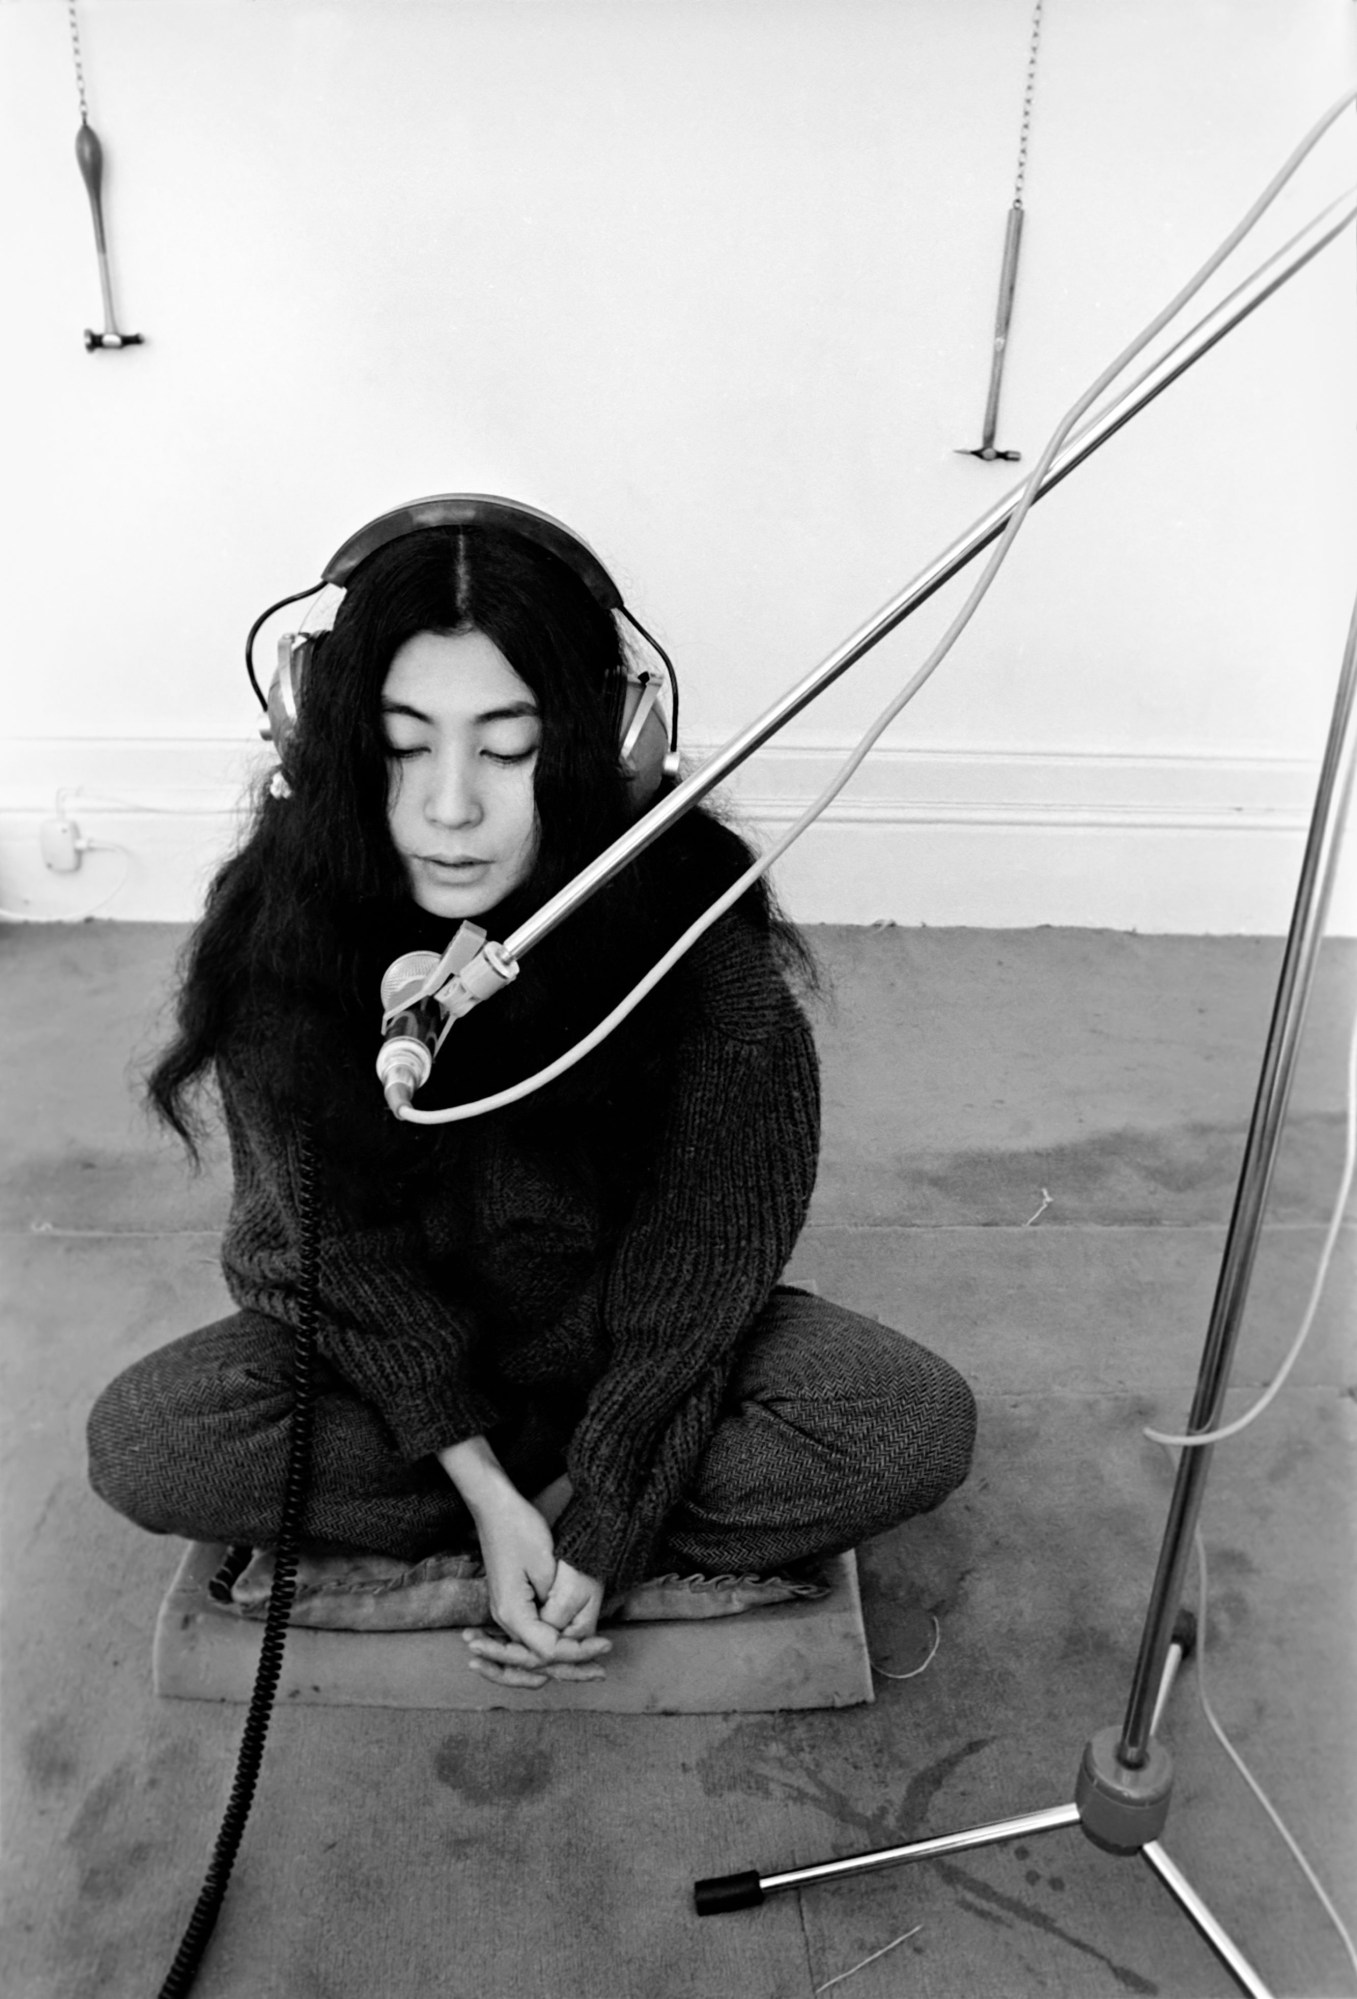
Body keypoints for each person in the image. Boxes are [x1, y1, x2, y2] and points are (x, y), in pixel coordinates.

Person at [87, 511, 977, 1690]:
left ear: (609, 748)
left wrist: (606, 1506)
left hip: (642, 1366)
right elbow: (317, 1258)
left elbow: (705, 1271)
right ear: (329, 742)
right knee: (152, 1442)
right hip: (397, 1387)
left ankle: (538, 1550)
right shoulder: (288, 935)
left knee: (906, 1423)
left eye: (507, 750)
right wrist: (482, 1481)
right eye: (405, 746)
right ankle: (526, 1540)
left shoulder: (696, 947)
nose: (451, 806)